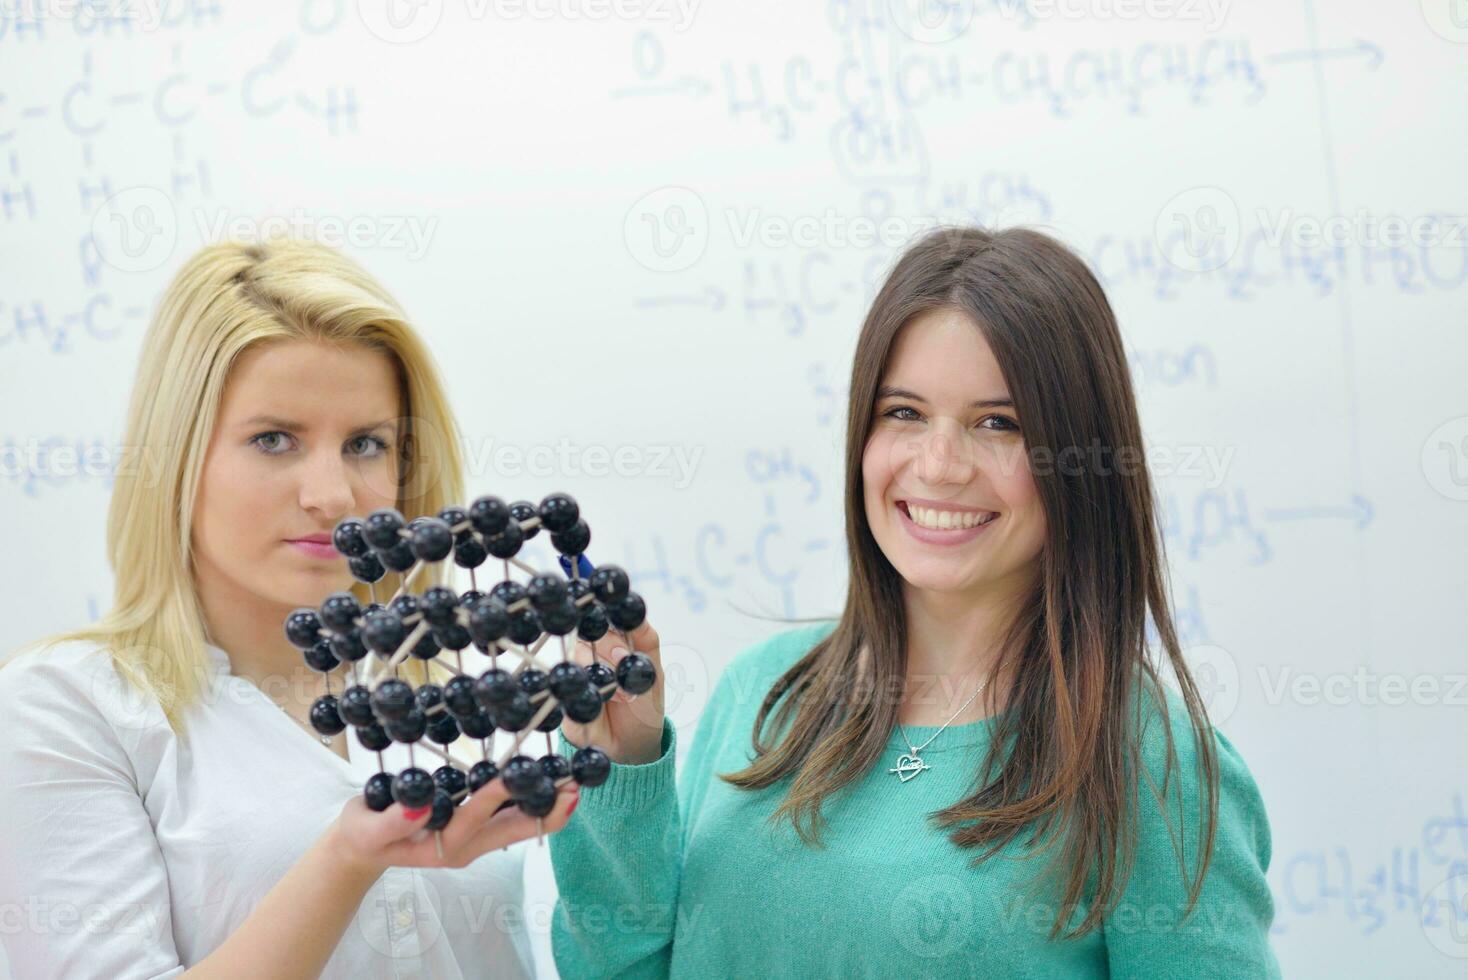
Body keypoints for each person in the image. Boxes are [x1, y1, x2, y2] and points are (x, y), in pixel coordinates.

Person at [549, 226, 1282, 978]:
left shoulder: (1154, 763)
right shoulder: (760, 691)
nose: (938, 465)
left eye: (999, 423)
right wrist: (624, 767)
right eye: (903, 412)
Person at [0, 237, 578, 979]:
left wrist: (631, 757)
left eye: (366, 443)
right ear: (178, 458)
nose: (331, 496)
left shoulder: (459, 704)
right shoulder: (71, 708)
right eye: (273, 440)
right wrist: (345, 861)